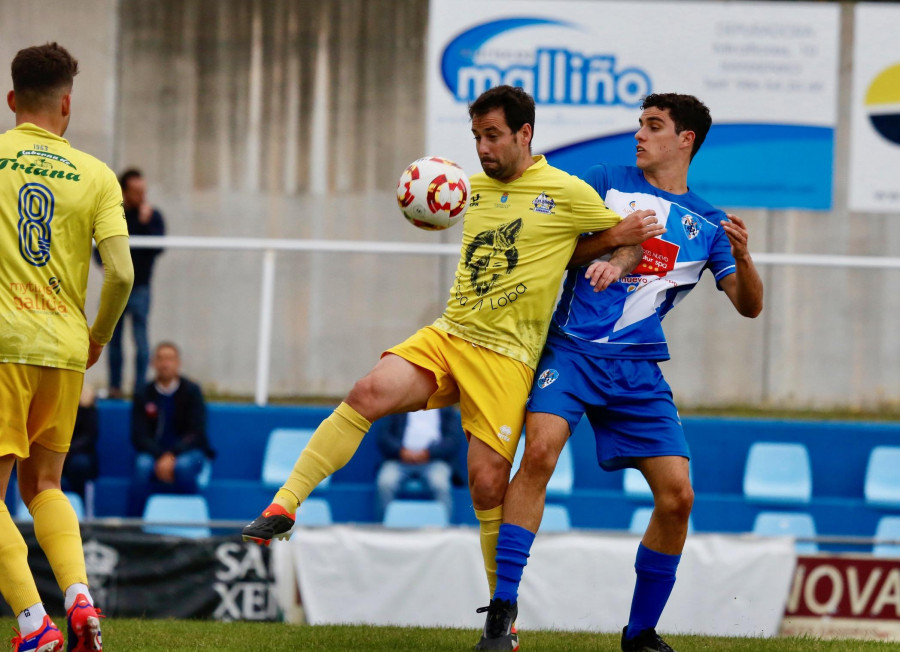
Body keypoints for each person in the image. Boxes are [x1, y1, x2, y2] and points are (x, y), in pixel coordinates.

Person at [242, 85, 662, 622]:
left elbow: (625, 239)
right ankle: (284, 505)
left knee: (487, 483)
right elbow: (547, 246)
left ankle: (500, 616)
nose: (483, 149)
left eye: (493, 136)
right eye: (476, 137)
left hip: (508, 357)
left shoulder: (568, 191)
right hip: (450, 333)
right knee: (367, 390)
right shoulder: (469, 189)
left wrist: (617, 253)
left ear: (524, 133)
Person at [476, 93, 764, 652]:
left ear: (686, 140)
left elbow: (748, 305)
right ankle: (501, 613)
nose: (640, 134)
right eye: (640, 124)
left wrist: (746, 259)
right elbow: (552, 247)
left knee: (678, 495)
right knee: (538, 454)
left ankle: (641, 634)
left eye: (654, 126)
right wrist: (608, 248)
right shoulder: (604, 179)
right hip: (571, 350)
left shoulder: (708, 222)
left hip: (638, 370)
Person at [0, 43, 133, 652]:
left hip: (3, 343)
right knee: (45, 487)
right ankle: (79, 598)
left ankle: (34, 625)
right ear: (67, 103)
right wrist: (98, 335)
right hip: (63, 347)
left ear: (10, 101)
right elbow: (124, 274)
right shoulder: (99, 174)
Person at [129, 342, 214, 516]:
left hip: (187, 452)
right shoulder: (143, 394)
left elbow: (197, 432)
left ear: (178, 363)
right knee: (142, 466)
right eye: (160, 359)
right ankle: (134, 526)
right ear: (153, 363)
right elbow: (139, 435)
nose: (165, 364)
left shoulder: (192, 391)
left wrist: (172, 455)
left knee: (183, 466)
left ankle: (189, 520)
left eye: (170, 359)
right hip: (155, 454)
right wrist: (162, 456)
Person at [105, 167, 165, 398]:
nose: (142, 196)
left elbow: (158, 246)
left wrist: (145, 223)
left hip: (140, 287)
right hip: (115, 286)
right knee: (112, 339)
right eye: (136, 192)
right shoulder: (113, 213)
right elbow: (102, 240)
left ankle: (140, 390)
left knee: (141, 340)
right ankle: (115, 387)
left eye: (144, 191)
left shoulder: (152, 216)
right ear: (125, 191)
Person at [373, 407, 463, 520]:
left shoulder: (446, 409)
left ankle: (444, 531)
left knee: (440, 484)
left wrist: (428, 453)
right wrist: (401, 452)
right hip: (399, 461)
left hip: (434, 461)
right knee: (385, 483)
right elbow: (384, 437)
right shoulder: (398, 405)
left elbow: (452, 441)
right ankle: (384, 530)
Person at [61, 385, 100, 503]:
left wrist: (65, 449)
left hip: (77, 453)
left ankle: (79, 506)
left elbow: (89, 436)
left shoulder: (85, 397)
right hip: (49, 450)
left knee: (79, 464)